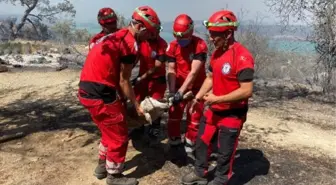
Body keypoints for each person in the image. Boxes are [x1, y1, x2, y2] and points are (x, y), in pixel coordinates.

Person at [78, 6, 161, 185]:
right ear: (140, 27)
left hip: (86, 89)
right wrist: (136, 104)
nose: (150, 37)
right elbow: (124, 80)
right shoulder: (130, 43)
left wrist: (122, 100)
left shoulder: (114, 36)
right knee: (120, 135)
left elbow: (114, 74)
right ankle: (114, 176)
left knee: (108, 130)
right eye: (150, 33)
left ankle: (102, 165)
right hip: (101, 93)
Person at [181, 10, 255, 185]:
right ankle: (200, 172)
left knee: (225, 151)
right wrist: (198, 98)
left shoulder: (243, 57)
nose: (212, 38)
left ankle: (221, 179)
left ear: (229, 33)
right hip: (214, 109)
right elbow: (210, 78)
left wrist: (217, 99)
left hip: (232, 113)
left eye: (215, 34)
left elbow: (247, 90)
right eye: (211, 34)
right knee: (202, 142)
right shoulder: (217, 53)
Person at [166, 14, 208, 159]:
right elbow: (171, 70)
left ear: (190, 32)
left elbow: (194, 72)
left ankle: (190, 146)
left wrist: (181, 92)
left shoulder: (200, 45)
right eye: (177, 37)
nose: (180, 40)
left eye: (183, 37)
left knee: (194, 116)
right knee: (173, 114)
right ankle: (174, 143)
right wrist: (172, 92)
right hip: (178, 86)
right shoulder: (172, 46)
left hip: (196, 88)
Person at [132, 23, 168, 145]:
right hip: (142, 78)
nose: (153, 34)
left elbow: (157, 66)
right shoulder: (142, 41)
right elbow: (136, 58)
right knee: (138, 101)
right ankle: (139, 126)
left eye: (155, 32)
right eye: (151, 32)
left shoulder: (162, 44)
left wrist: (141, 77)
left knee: (155, 105)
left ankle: (155, 128)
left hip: (157, 79)